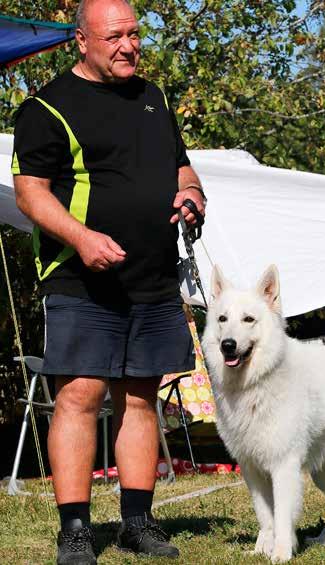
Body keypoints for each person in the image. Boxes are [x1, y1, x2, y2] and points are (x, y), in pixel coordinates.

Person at [12, 0, 206, 563]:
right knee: (80, 395)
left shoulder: (153, 98)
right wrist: (81, 237)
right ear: (81, 41)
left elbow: (182, 167)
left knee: (141, 395)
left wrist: (192, 195)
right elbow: (31, 193)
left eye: (134, 34)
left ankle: (137, 522)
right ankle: (75, 529)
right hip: (79, 277)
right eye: (114, 36)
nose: (128, 46)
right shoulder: (46, 106)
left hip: (153, 276)